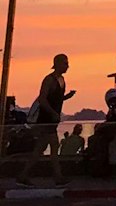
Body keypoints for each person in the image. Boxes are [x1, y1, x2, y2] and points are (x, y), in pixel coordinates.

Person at [18, 54, 74, 186]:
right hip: (46, 120)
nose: (67, 66)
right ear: (57, 64)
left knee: (40, 149)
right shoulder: (49, 80)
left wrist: (67, 97)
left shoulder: (62, 80)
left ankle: (24, 175)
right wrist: (53, 113)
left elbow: (55, 99)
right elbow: (42, 99)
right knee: (53, 146)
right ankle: (57, 177)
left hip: (52, 120)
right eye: (65, 63)